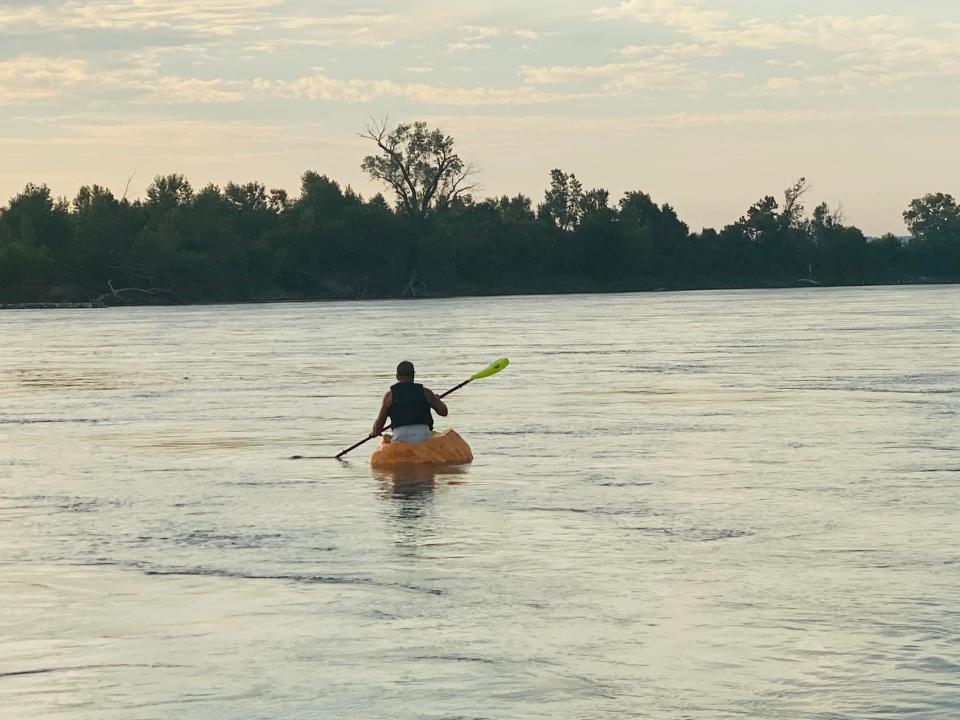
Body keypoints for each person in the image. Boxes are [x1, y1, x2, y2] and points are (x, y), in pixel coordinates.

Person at [370, 361, 448, 443]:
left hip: (400, 437)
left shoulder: (390, 396)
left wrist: (374, 432)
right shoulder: (426, 393)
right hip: (423, 437)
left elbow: (378, 428)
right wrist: (437, 400)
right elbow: (444, 412)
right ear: (413, 375)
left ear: (397, 376)